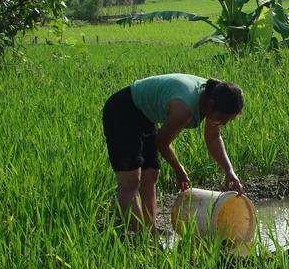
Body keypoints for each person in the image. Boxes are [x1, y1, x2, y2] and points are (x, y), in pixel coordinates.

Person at [102, 73, 244, 230]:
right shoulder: (184, 109)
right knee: (130, 181)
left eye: (227, 121)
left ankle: (150, 232)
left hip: (146, 116)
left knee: (150, 175)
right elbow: (161, 142)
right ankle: (135, 240)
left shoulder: (214, 95)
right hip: (122, 110)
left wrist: (229, 171)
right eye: (221, 118)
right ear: (210, 105)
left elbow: (213, 137)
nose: (222, 123)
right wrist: (179, 169)